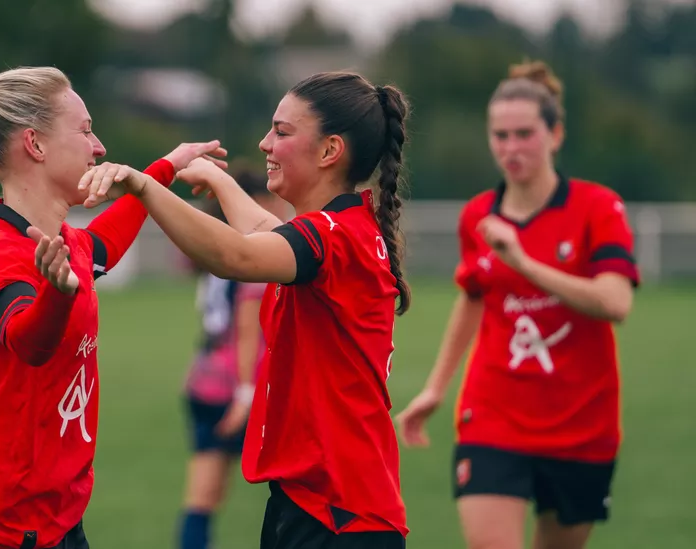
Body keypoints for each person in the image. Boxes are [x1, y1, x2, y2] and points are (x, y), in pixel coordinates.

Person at [73, 71, 412, 549]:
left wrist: (146, 187)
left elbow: (237, 255)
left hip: (340, 514)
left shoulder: (333, 236)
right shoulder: (342, 229)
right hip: (321, 501)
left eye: (282, 131)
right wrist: (217, 178)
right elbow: (262, 232)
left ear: (329, 151)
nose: (265, 142)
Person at [0, 66, 226, 549]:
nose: (99, 147)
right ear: (35, 145)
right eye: (86, 129)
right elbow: (28, 341)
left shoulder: (67, 243)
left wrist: (160, 172)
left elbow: (106, 240)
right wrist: (57, 293)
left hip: (60, 522)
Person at [395, 60, 639, 549]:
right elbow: (473, 298)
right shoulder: (477, 216)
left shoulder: (598, 208)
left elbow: (616, 302)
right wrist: (436, 388)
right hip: (493, 415)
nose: (510, 148)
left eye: (524, 133)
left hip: (582, 423)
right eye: (499, 135)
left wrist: (524, 262)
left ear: (556, 134)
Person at [177, 165, 289, 549]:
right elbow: (246, 328)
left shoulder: (216, 247)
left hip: (204, 381)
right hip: (239, 390)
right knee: (299, 497)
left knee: (202, 497)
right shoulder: (256, 256)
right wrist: (245, 394)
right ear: (256, 202)